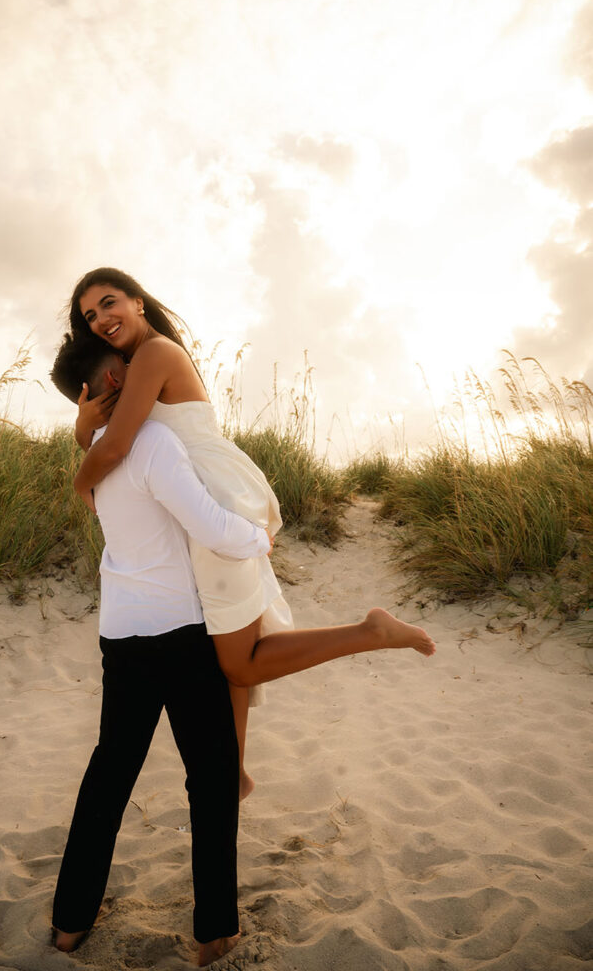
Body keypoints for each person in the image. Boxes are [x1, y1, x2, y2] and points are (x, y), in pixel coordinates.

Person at [65, 268, 436, 795]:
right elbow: (120, 449)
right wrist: (86, 430)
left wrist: (83, 481)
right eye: (89, 316)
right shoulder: (131, 367)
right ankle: (232, 770)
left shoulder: (155, 354)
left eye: (108, 303)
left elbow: (117, 448)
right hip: (200, 499)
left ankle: (369, 632)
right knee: (226, 644)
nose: (101, 319)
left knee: (238, 663)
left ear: (138, 302)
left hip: (214, 498)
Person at [49, 333, 274, 967]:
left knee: (108, 777)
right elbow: (208, 523)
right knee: (210, 780)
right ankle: (213, 933)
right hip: (181, 633)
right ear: (116, 382)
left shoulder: (97, 450)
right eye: (130, 370)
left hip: (121, 635)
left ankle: (68, 924)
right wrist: (257, 537)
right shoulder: (152, 442)